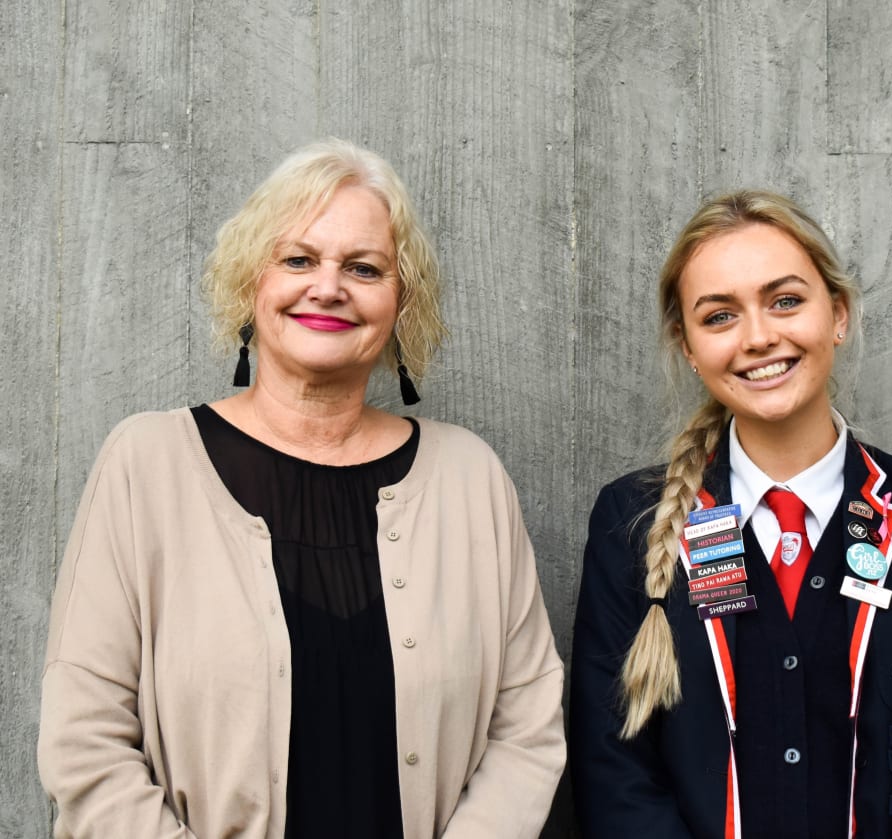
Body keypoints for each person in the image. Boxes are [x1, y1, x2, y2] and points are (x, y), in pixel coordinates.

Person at [38, 138, 565, 839]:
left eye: (364, 267)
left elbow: (528, 724)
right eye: (298, 259)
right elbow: (85, 738)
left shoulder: (471, 479)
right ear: (251, 282)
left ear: (400, 302)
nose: (328, 286)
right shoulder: (146, 465)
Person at [569, 191, 892, 838]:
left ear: (837, 313)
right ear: (689, 345)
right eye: (720, 315)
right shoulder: (630, 520)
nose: (759, 337)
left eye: (785, 300)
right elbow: (613, 772)